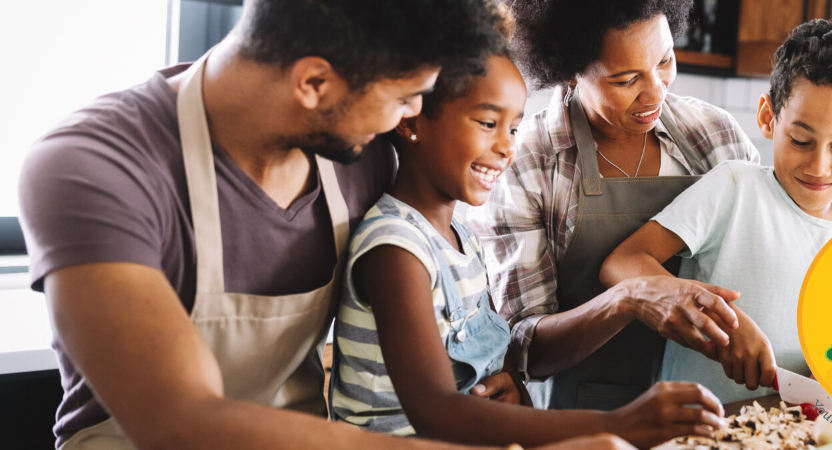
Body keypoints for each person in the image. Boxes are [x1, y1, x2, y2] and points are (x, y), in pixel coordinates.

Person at [18, 0, 626, 449]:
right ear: (313, 82)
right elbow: (182, 421)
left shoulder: (362, 160)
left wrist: (492, 384)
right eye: (406, 96)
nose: (412, 117)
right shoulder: (90, 168)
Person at [329, 49, 726, 449]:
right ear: (412, 121)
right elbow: (436, 413)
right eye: (488, 123)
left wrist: (511, 386)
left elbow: (491, 359)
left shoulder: (460, 235)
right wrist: (619, 425)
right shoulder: (396, 250)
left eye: (513, 129)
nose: (507, 147)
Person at [470, 0, 760, 411]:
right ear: (570, 70)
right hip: (583, 417)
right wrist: (630, 299)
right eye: (626, 80)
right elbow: (524, 349)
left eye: (665, 61)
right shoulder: (527, 163)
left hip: (711, 408)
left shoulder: (715, 136)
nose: (656, 91)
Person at [599, 19, 832, 404]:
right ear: (768, 118)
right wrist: (721, 321)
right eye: (801, 140)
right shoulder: (735, 188)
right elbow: (622, 263)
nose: (819, 166)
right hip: (697, 431)